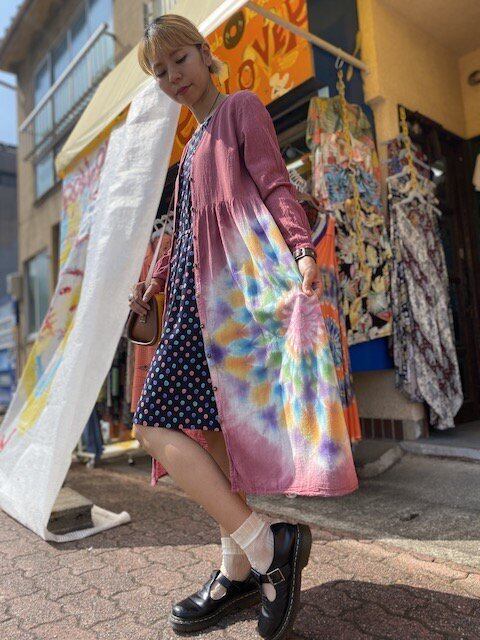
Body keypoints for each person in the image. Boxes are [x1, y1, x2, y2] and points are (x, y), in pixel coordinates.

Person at [129, 14, 358, 639]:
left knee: (152, 424)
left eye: (180, 60)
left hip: (230, 297)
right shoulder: (190, 148)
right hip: (190, 302)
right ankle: (237, 568)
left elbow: (276, 183)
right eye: (161, 71)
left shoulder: (241, 109)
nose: (173, 76)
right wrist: (153, 282)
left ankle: (265, 548)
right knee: (216, 436)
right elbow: (183, 233)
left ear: (205, 54)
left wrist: (303, 251)